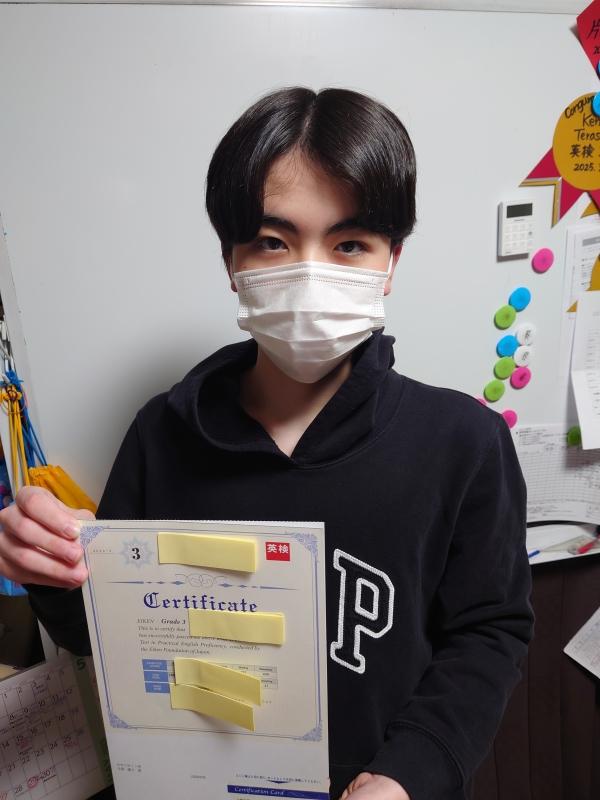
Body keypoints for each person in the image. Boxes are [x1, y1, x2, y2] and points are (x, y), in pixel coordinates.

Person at [0, 87, 534, 800]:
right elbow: (105, 633)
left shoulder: (463, 442)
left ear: (392, 261)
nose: (310, 273)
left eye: (349, 244)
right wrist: (50, 569)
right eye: (273, 242)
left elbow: (489, 632)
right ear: (231, 260)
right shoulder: (162, 434)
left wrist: (410, 773)